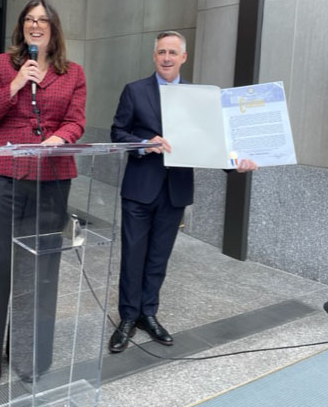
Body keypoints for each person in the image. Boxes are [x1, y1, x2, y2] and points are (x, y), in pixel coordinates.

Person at [0, 0, 86, 389]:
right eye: (29, 20)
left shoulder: (74, 73)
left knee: (41, 273)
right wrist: (16, 84)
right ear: (22, 27)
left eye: (43, 20)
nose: (36, 25)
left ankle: (31, 358)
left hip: (51, 176)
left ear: (54, 28)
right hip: (2, 178)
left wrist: (59, 137)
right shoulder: (3, 65)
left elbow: (76, 121)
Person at [109, 31, 257, 353]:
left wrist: (236, 165)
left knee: (158, 258)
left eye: (172, 53)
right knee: (133, 257)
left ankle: (148, 314)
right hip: (139, 189)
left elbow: (211, 143)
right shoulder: (134, 91)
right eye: (161, 52)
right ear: (154, 56)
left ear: (183, 57)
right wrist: (143, 145)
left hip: (174, 192)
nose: (166, 58)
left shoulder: (199, 97)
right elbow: (117, 132)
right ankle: (127, 318)